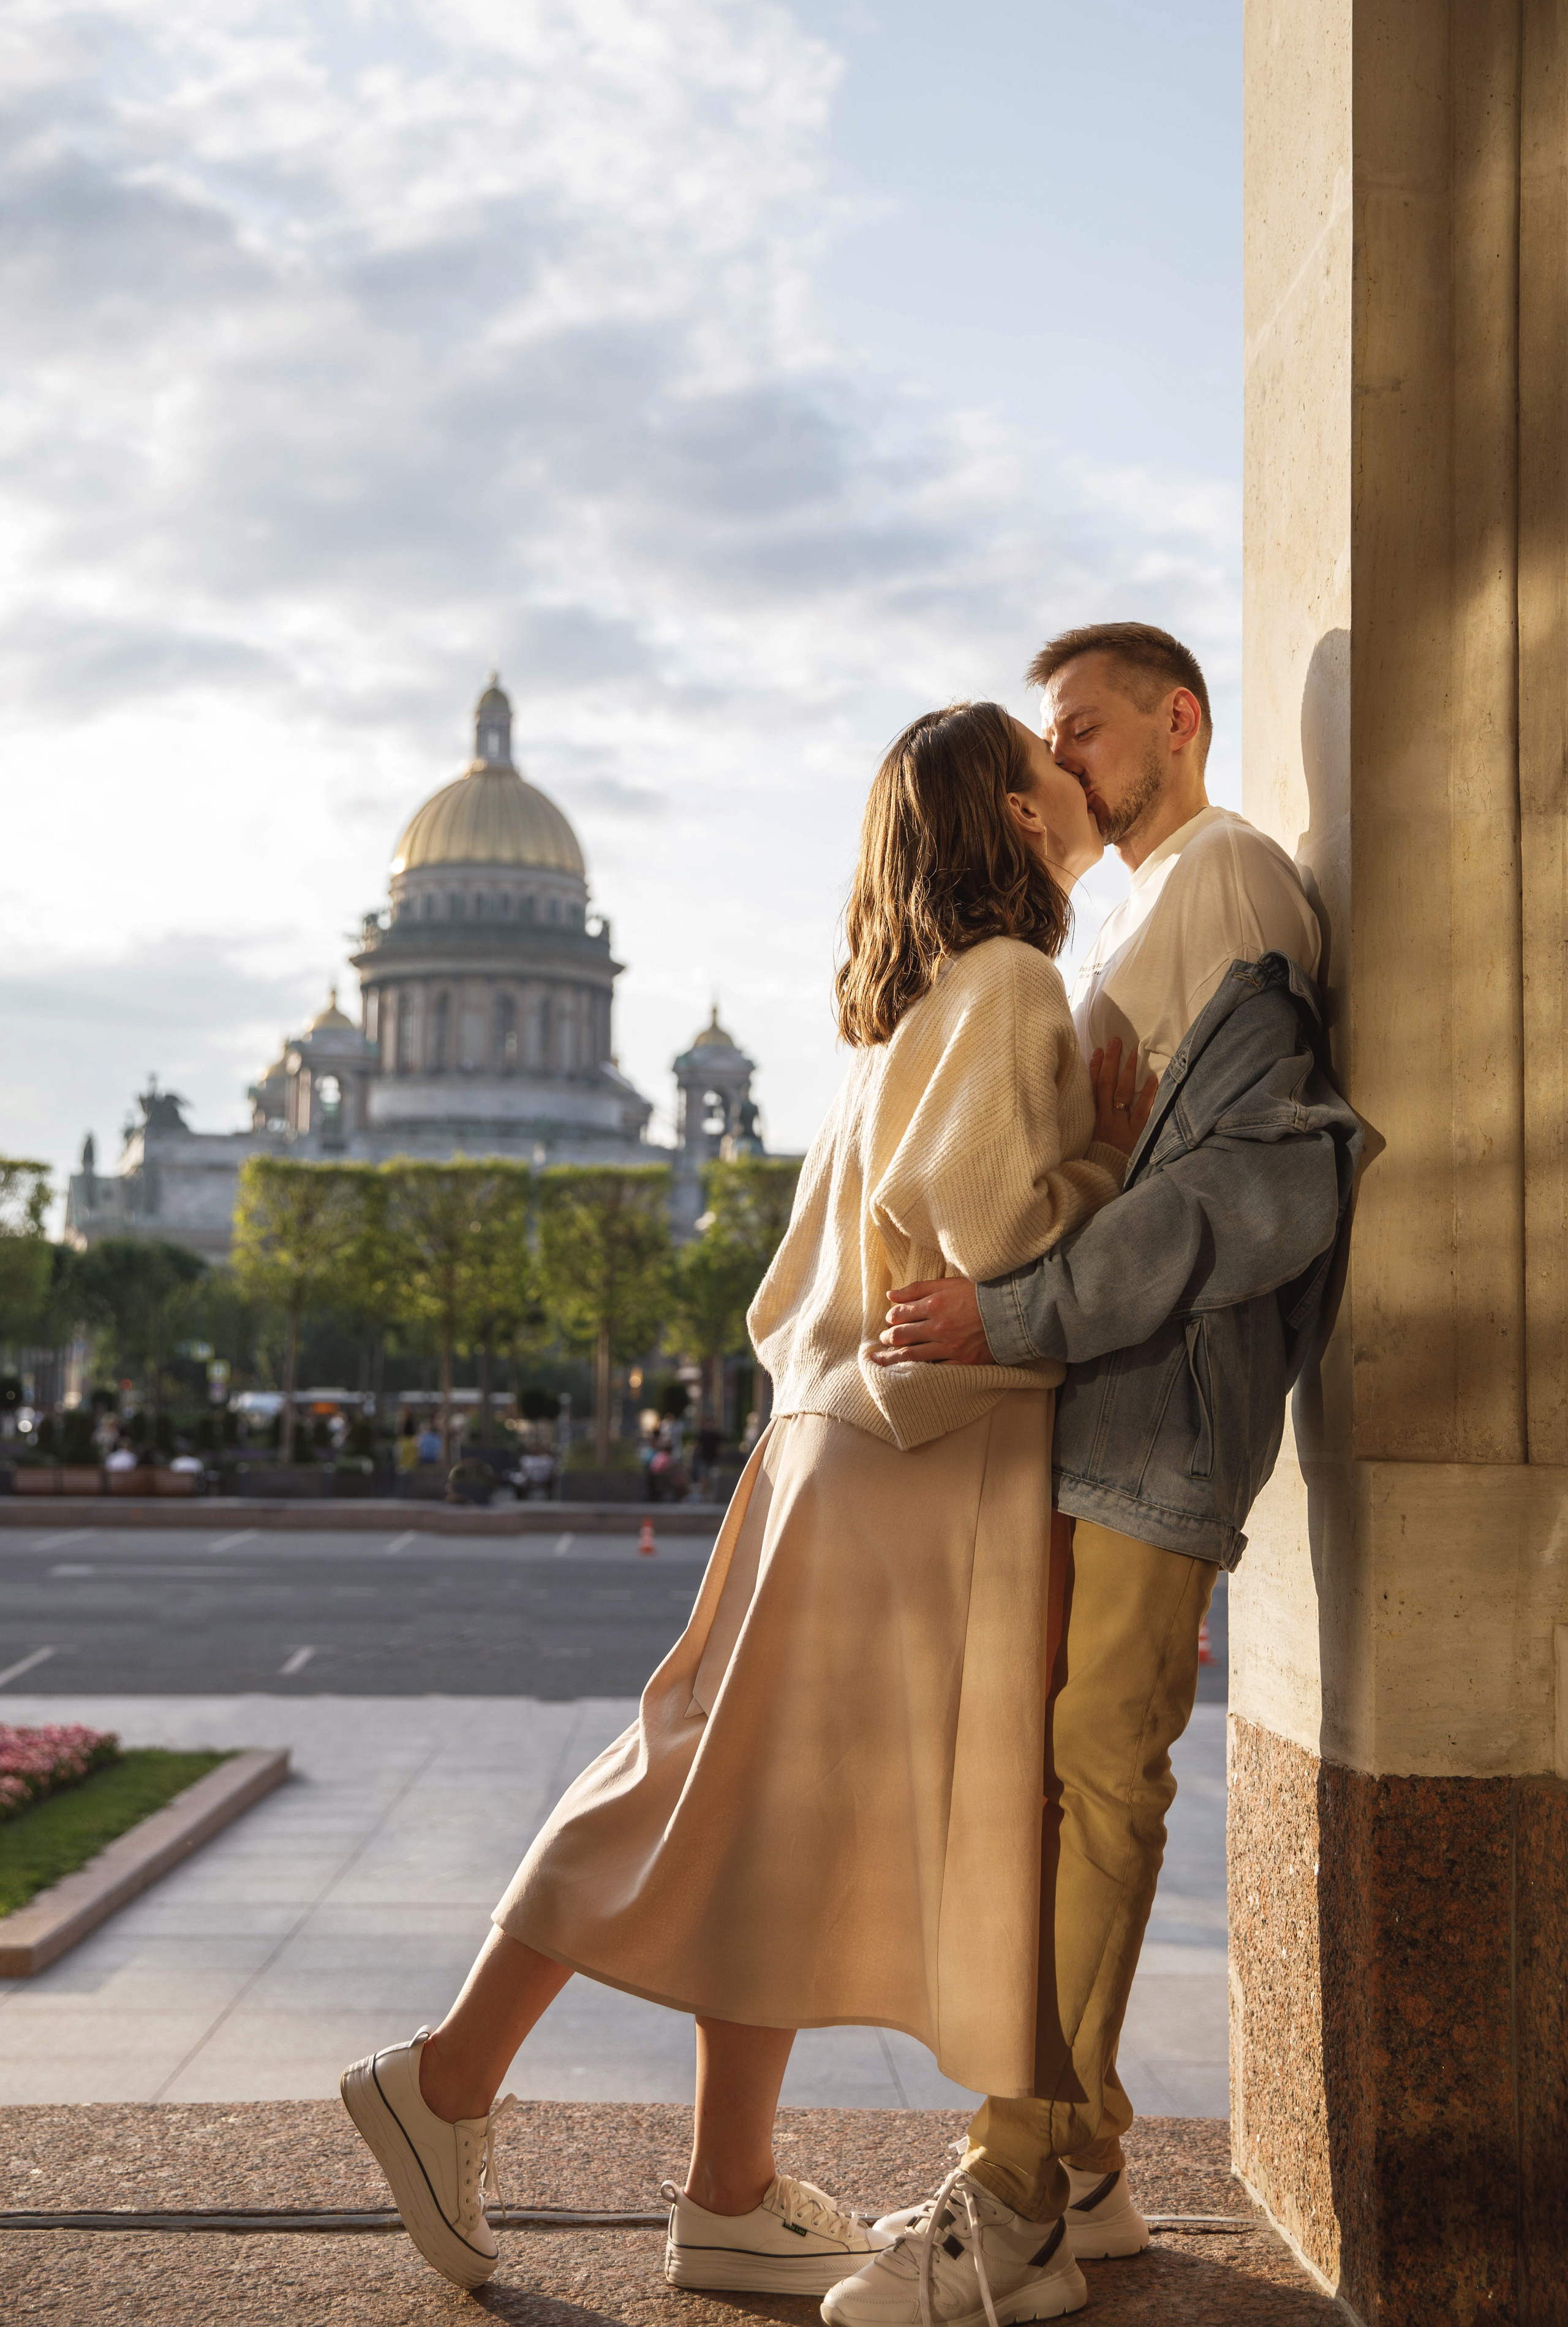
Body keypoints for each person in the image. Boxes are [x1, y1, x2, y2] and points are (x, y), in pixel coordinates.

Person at [339, 698, 1141, 2320]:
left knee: (737, 1800)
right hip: (906, 1467)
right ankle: (446, 2077)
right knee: (696, 1792)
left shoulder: (900, 1010)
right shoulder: (1008, 988)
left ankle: (723, 2193)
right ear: (998, 812)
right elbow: (997, 1238)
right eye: (1039, 765)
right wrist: (1111, 1162)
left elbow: (821, 1277)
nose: (1071, 779)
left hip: (828, 1442)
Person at [872, 622, 1362, 2271]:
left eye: (1080, 732)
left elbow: (1231, 1195)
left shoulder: (1224, 874)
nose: (1060, 767)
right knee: (1072, 1779)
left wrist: (1009, 1317)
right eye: (1047, 744)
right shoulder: (1129, 917)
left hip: (1162, 1401)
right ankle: (1081, 2165)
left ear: (1179, 720)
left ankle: (1017, 2190)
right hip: (1106, 1395)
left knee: (1096, 1781)